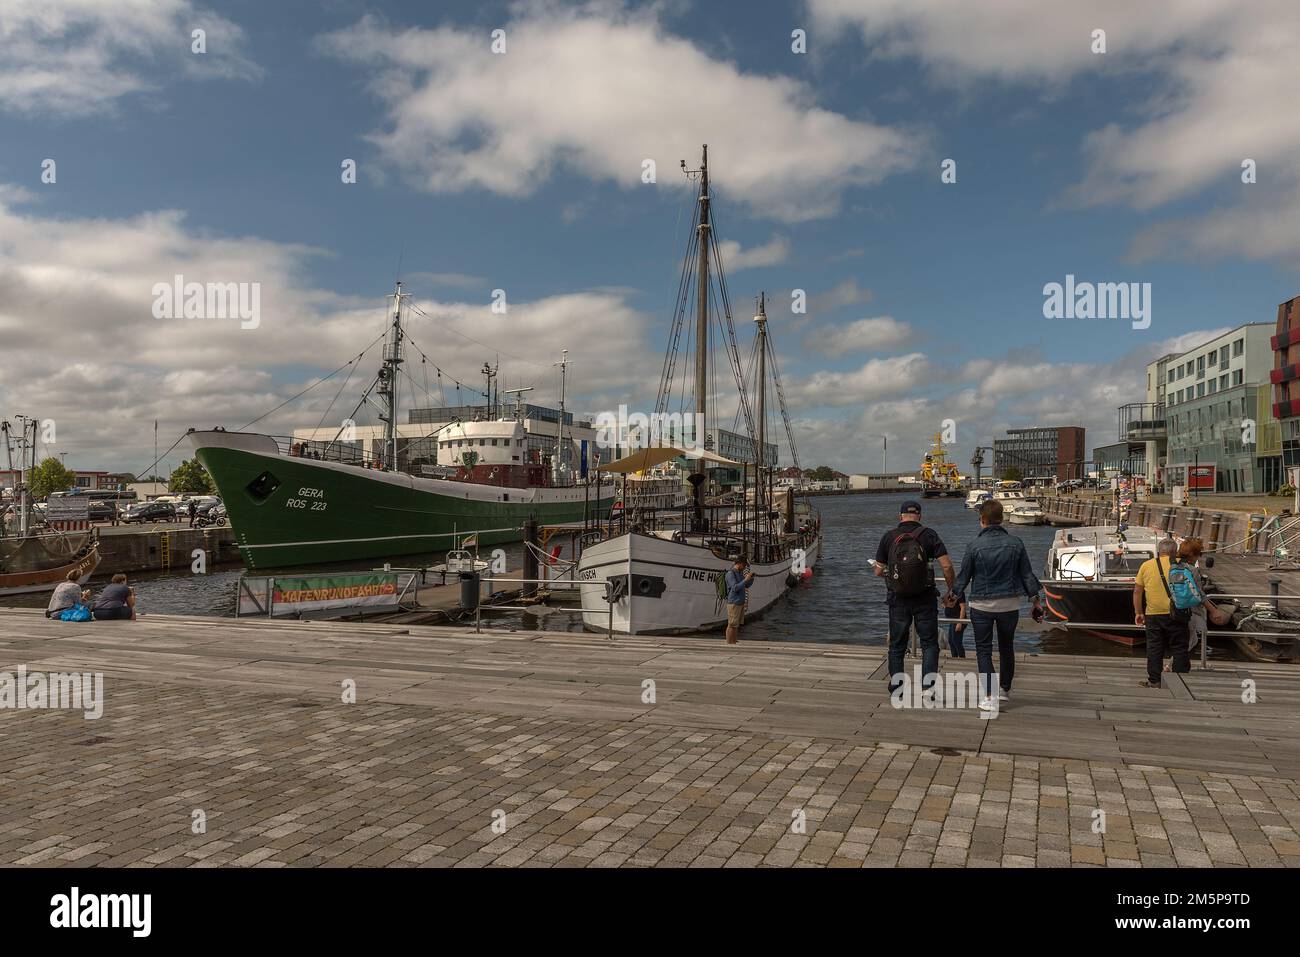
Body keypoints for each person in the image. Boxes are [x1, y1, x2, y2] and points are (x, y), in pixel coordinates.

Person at [947, 498, 1043, 709]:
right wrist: (1036, 601)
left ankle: (990, 697)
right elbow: (1027, 575)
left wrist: (953, 595)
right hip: (1009, 605)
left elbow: (964, 576)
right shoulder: (1016, 543)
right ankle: (1004, 690)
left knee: (983, 650)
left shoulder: (974, 546)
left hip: (981, 605)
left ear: (982, 519)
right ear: (1001, 519)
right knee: (1007, 647)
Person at [875, 500, 954, 698]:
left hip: (897, 598)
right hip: (925, 597)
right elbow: (946, 566)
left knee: (897, 645)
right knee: (929, 643)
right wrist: (951, 590)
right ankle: (927, 688)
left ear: (900, 516)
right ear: (919, 515)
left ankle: (897, 689)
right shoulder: (929, 535)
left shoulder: (889, 537)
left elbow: (878, 570)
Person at [1133, 539, 1187, 687]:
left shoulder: (1147, 565)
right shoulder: (1182, 565)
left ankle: (1154, 680)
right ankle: (1180, 681)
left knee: (1155, 647)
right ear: (1174, 551)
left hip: (1153, 613)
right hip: (1178, 611)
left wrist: (1138, 612)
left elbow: (1137, 591)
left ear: (1159, 551)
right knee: (1179, 646)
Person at [1171, 538, 1230, 666]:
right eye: (1199, 554)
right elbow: (1199, 593)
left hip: (1176, 607)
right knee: (1196, 637)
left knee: (1187, 639)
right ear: (1192, 555)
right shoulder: (1193, 570)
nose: (1199, 557)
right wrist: (1213, 610)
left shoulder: (1173, 566)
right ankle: (1172, 665)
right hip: (1192, 610)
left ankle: (1174, 664)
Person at [724, 556, 755, 644]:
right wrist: (745, 580)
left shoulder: (740, 573)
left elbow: (746, 585)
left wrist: (751, 578)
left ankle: (733, 642)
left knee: (736, 625)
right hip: (733, 602)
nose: (745, 567)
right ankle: (729, 643)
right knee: (731, 624)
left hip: (740, 602)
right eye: (744, 565)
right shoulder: (730, 574)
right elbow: (735, 588)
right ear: (740, 563)